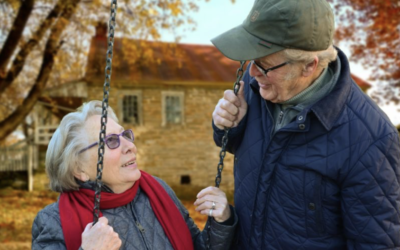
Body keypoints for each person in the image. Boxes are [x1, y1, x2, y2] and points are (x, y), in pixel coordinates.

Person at [211, 0, 400, 249]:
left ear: (309, 66)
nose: (253, 72)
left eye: (265, 65)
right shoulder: (258, 86)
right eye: (250, 60)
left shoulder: (371, 140)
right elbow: (245, 150)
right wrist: (228, 125)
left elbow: (377, 243)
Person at [32, 100, 237, 250]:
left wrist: (221, 221)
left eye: (125, 135)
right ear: (79, 169)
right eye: (111, 141)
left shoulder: (158, 190)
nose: (130, 146)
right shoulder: (53, 221)